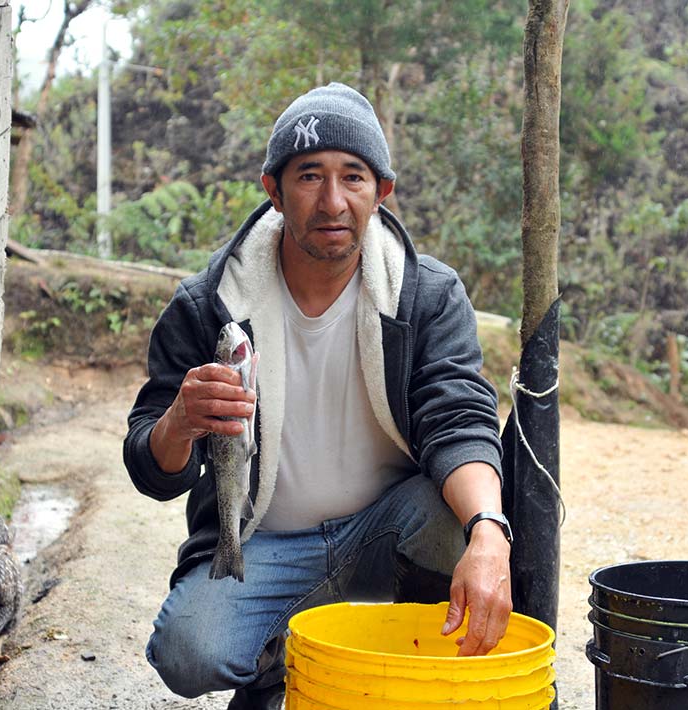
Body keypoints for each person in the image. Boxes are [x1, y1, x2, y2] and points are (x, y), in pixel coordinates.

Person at [124, 83, 512, 709]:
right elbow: (151, 467)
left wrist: (490, 532)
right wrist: (177, 423)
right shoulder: (208, 306)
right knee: (187, 653)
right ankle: (278, 660)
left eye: (352, 177)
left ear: (381, 192)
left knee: (459, 520)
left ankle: (404, 672)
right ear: (273, 190)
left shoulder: (427, 295)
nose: (332, 202)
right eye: (309, 177)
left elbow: (459, 416)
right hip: (261, 544)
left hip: (387, 526)